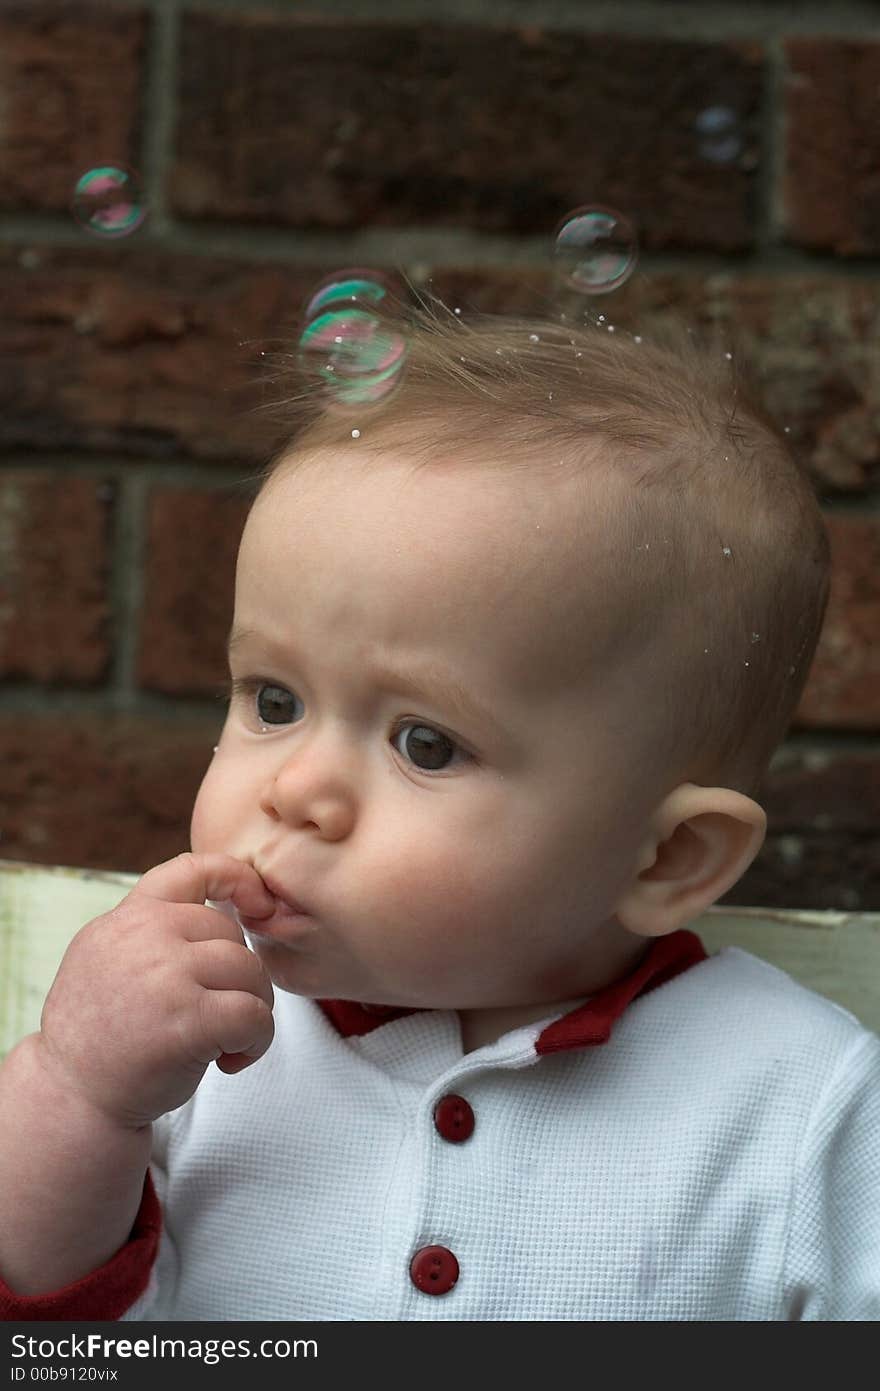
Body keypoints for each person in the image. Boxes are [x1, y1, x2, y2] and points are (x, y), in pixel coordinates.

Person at [1, 299, 877, 1322]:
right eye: (272, 700)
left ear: (668, 856)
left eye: (426, 742)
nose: (296, 790)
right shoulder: (185, 1040)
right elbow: (53, 1334)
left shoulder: (798, 1103)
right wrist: (75, 1090)